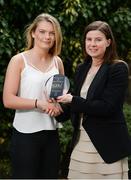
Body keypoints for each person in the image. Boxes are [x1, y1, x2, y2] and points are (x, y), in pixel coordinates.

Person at [56, 21, 131, 179]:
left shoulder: (118, 68)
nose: (92, 44)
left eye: (98, 39)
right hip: (81, 142)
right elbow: (74, 105)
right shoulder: (82, 69)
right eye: (89, 39)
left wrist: (73, 100)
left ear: (108, 42)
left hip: (107, 144)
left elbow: (107, 107)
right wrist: (55, 109)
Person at [3, 13, 64, 179]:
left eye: (52, 33)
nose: (47, 36)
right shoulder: (18, 60)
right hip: (25, 135)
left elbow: (57, 97)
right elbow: (8, 100)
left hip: (51, 134)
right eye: (43, 32)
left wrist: (58, 105)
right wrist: (39, 103)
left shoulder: (57, 62)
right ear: (33, 33)